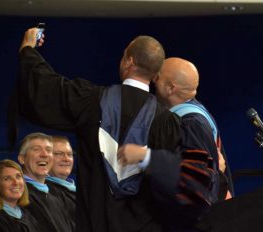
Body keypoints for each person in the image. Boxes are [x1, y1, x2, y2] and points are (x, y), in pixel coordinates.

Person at [16, 27, 182, 232]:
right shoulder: (167, 122)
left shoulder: (93, 101)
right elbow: (176, 180)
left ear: (129, 61)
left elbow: (48, 89)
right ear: (156, 75)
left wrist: (28, 51)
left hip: (94, 223)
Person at [153, 57, 234, 200]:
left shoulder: (190, 124)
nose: (153, 80)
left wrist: (217, 173)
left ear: (171, 88)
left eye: (158, 77)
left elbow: (198, 186)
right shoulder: (194, 112)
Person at [17, 132, 73, 232]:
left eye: (48, 150)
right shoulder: (16, 195)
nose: (44, 154)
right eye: (36, 149)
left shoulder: (57, 194)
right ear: (22, 158)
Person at [46, 135, 76, 230]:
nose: (66, 159)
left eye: (70, 154)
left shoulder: (78, 191)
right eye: (59, 154)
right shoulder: (40, 194)